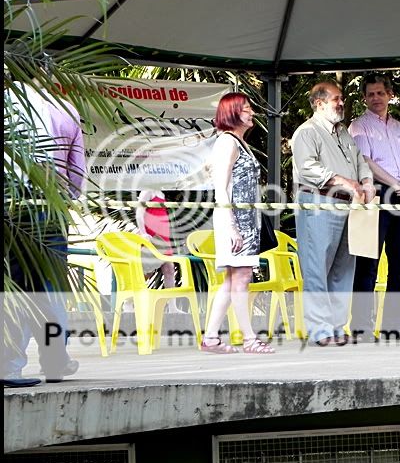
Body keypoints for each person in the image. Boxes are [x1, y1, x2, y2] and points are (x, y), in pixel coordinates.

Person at [3, 83, 85, 387]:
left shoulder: (9, 102)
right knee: (47, 287)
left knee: (18, 287)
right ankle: (53, 361)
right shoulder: (66, 111)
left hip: (12, 207)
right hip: (52, 207)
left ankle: (14, 365)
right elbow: (76, 175)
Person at [290, 81, 375, 346]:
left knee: (343, 268)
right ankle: (320, 329)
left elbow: (360, 161)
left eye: (341, 99)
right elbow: (307, 168)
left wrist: (367, 181)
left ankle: (337, 327)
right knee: (317, 268)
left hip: (350, 207)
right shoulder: (306, 132)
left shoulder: (343, 132)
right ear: (319, 103)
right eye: (336, 99)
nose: (341, 103)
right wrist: (343, 181)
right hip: (319, 204)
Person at [200, 92, 274, 354]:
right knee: (241, 277)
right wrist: (231, 225)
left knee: (234, 279)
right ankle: (249, 338)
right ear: (232, 113)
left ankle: (211, 337)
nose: (251, 112)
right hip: (235, 220)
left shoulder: (237, 142)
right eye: (245, 108)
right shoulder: (228, 142)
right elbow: (221, 188)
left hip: (244, 219)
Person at [349, 74, 400, 342]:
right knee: (368, 264)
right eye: (371, 94)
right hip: (376, 195)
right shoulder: (359, 126)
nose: (376, 98)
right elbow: (366, 163)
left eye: (380, 93)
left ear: (390, 94)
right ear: (364, 98)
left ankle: (394, 325)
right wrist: (396, 184)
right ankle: (361, 327)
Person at [133, 189, 182, 314]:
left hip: (163, 237)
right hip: (152, 236)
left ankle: (172, 307)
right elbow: (139, 212)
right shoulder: (147, 191)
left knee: (169, 269)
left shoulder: (161, 193)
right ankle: (130, 302)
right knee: (145, 272)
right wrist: (143, 233)